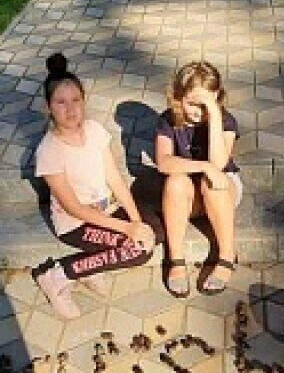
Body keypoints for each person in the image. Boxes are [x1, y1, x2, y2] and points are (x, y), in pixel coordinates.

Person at [33, 52, 156, 319]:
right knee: (137, 250)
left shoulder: (94, 130)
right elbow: (74, 208)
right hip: (76, 224)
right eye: (61, 102)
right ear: (48, 107)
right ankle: (58, 276)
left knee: (152, 229)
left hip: (106, 212)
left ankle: (92, 268)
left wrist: (136, 221)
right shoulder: (49, 151)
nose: (70, 109)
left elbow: (115, 179)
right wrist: (128, 228)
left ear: (84, 101)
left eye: (76, 100)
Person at [154, 60, 242, 296]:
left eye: (205, 105)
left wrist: (214, 115)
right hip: (187, 196)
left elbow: (219, 164)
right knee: (175, 181)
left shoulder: (226, 121)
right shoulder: (168, 120)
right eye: (192, 104)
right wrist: (203, 166)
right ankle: (176, 259)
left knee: (212, 182)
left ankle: (227, 255)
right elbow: (163, 162)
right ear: (178, 97)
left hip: (221, 191)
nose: (197, 111)